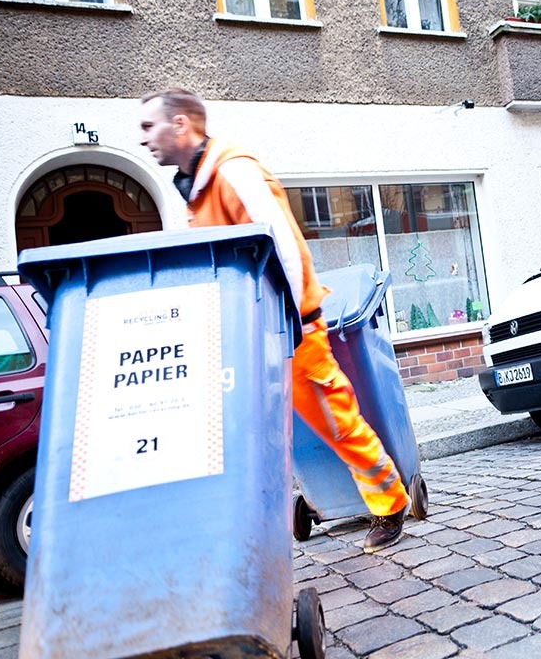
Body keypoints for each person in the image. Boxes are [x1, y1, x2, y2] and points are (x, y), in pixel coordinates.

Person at [138, 88, 410, 553]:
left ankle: (389, 500)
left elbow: (280, 241)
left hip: (289, 326)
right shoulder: (198, 189)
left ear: (181, 123)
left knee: (334, 421)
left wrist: (294, 318)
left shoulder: (233, 171)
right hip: (251, 334)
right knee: (263, 432)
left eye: (149, 127)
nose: (144, 140)